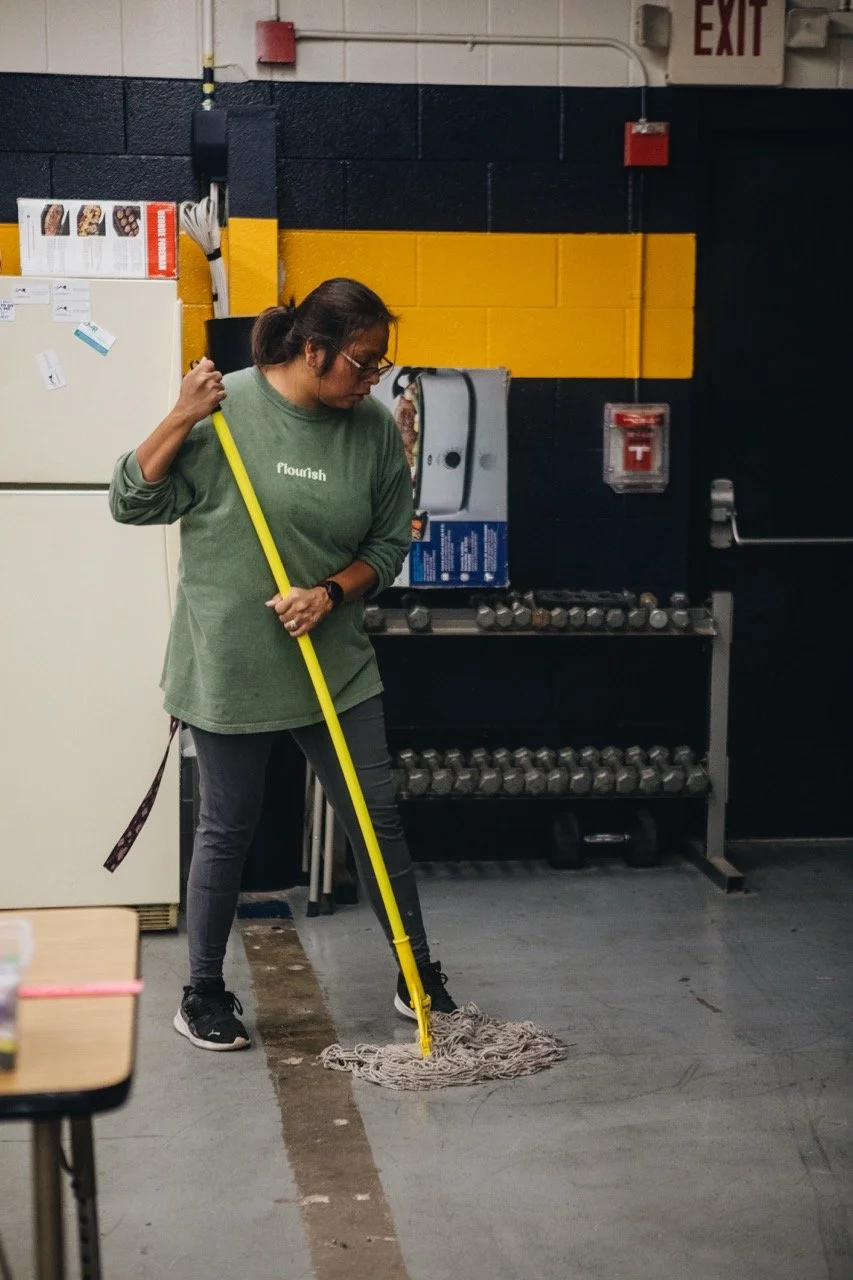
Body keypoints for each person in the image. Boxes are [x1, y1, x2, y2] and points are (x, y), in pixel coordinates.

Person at [109, 277, 457, 1052]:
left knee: (376, 822)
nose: (371, 380)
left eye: (378, 365)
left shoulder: (369, 429)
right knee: (226, 828)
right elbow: (129, 501)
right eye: (361, 364)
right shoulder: (224, 409)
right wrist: (180, 414)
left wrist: (329, 593)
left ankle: (416, 972)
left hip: (333, 663)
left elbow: (389, 545)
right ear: (312, 350)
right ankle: (200, 991)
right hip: (232, 665)